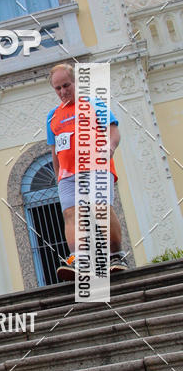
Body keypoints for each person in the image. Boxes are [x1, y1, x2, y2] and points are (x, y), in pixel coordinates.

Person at [47, 63, 128, 281]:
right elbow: (55, 149)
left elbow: (113, 130)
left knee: (101, 210)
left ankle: (116, 256)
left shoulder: (94, 104)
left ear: (76, 83)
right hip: (68, 175)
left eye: (67, 85)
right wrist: (58, 176)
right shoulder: (52, 116)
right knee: (71, 215)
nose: (63, 91)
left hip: (96, 167)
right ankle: (80, 260)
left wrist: (109, 147)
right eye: (58, 88)